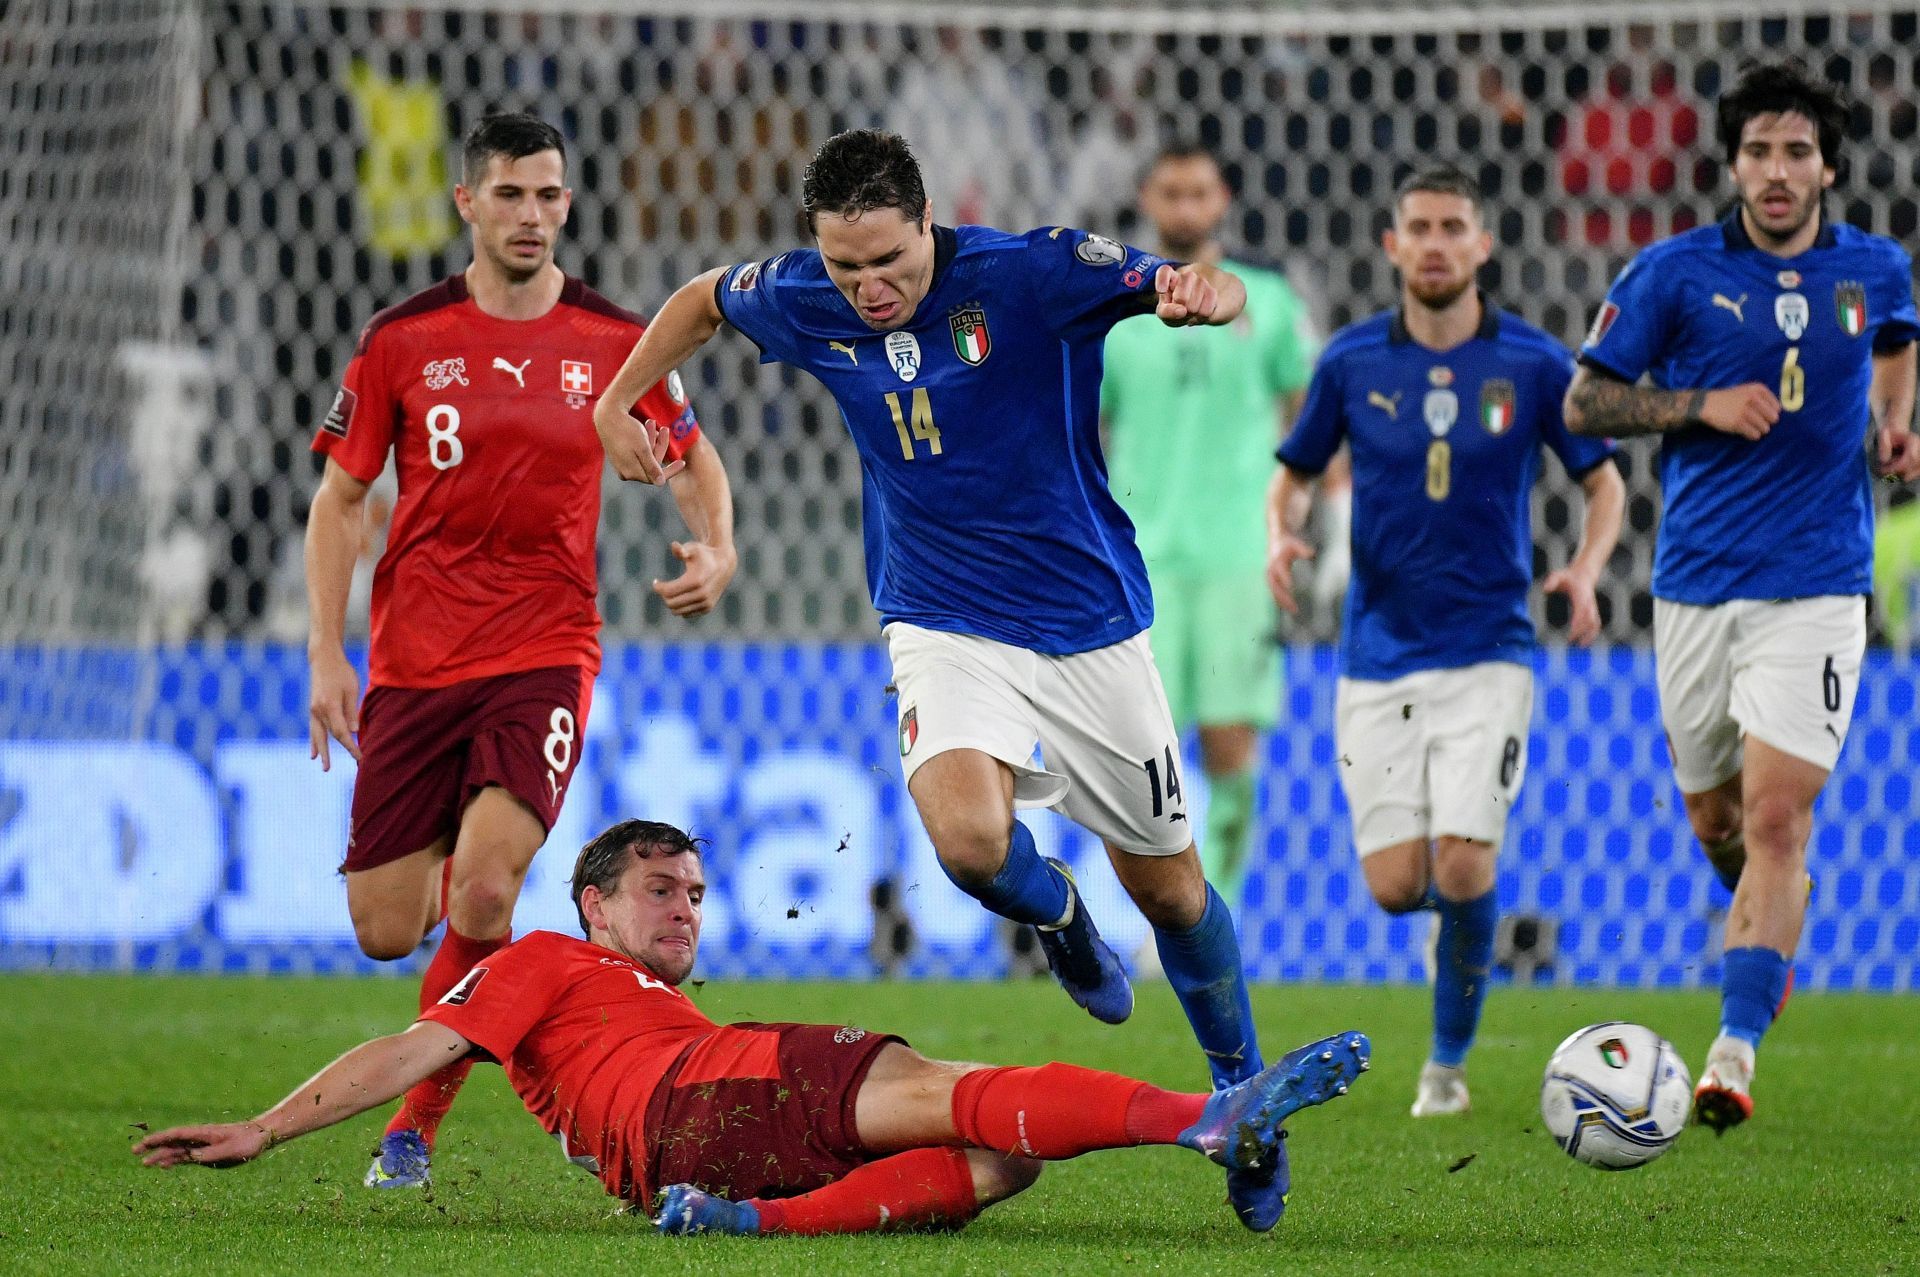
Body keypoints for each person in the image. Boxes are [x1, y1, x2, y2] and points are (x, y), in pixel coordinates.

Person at [593, 129, 1290, 1230]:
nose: (868, 288)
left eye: (891, 263)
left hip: (1088, 622)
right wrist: (615, 400)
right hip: (938, 614)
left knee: (1170, 888)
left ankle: (1247, 1098)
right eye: (844, 266)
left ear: (929, 222)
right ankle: (1060, 914)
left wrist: (1187, 290)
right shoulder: (801, 294)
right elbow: (697, 300)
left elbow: (1155, 280)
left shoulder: (1028, 274)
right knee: (968, 844)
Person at [131, 820, 1372, 1237]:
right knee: (944, 1081)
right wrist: (268, 1124)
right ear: (594, 901)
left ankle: (751, 1221)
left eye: (697, 892)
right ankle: (1209, 1120)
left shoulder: (642, 1004)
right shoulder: (547, 957)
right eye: (661, 891)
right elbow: (421, 1044)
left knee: (1007, 1158)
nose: (687, 910)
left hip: (677, 1153)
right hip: (702, 1093)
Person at [305, 113, 737, 1189]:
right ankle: (458, 860)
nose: (533, 215)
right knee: (383, 928)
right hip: (413, 658)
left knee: (488, 902)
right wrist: (326, 651)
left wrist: (717, 544)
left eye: (550, 195)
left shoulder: (613, 341)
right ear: (467, 205)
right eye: (511, 196)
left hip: (544, 646)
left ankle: (411, 1127)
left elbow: (696, 461)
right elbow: (343, 496)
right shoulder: (402, 338)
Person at [1563, 60, 1920, 1131]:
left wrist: (1898, 423)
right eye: (1758, 152)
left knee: (1775, 814)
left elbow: (1897, 342)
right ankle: (1773, 924)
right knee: (1717, 815)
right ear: (1731, 163)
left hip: (1817, 583)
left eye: (1797, 152)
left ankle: (1732, 1049)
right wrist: (1699, 403)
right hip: (1694, 588)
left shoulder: (1875, 267)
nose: (1776, 172)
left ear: (1827, 166)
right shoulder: (1674, 274)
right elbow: (1586, 402)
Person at [1269, 166, 1625, 1118]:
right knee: (1395, 888)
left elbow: (1604, 483)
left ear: (1482, 244)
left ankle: (1447, 1064)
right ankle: (1461, 939)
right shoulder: (1349, 363)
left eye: (1451, 227)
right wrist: (1283, 532)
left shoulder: (1537, 363)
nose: (1433, 242)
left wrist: (1585, 570)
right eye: (1417, 225)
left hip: (1490, 648)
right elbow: (1294, 472)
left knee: (1464, 864)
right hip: (1377, 651)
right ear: (1392, 246)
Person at [1101, 143, 1319, 922]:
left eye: (1199, 192)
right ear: (1148, 200)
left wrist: (1296, 506)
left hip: (1236, 557)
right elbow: (1090, 427)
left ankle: (1209, 908)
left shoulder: (1265, 299)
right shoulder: (1119, 310)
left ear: (1223, 197)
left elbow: (1309, 409)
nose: (1186, 208)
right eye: (1171, 192)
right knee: (1137, 751)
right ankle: (1149, 906)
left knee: (1229, 742)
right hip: (1142, 560)